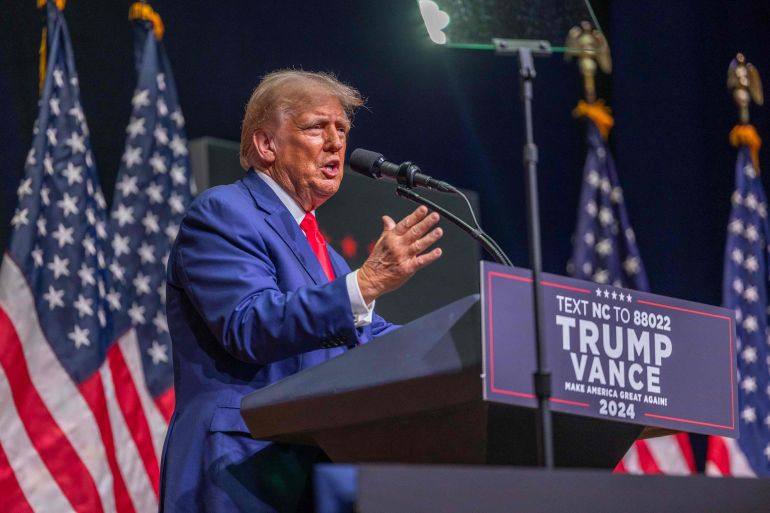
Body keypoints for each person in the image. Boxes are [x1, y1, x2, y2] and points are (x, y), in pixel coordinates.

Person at [158, 69, 443, 512]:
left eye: (342, 130)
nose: (335, 143)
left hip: (312, 473)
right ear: (265, 145)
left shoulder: (326, 256)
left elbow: (368, 341)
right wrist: (365, 284)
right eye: (316, 127)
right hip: (238, 466)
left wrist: (462, 342)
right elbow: (249, 323)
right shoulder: (223, 212)